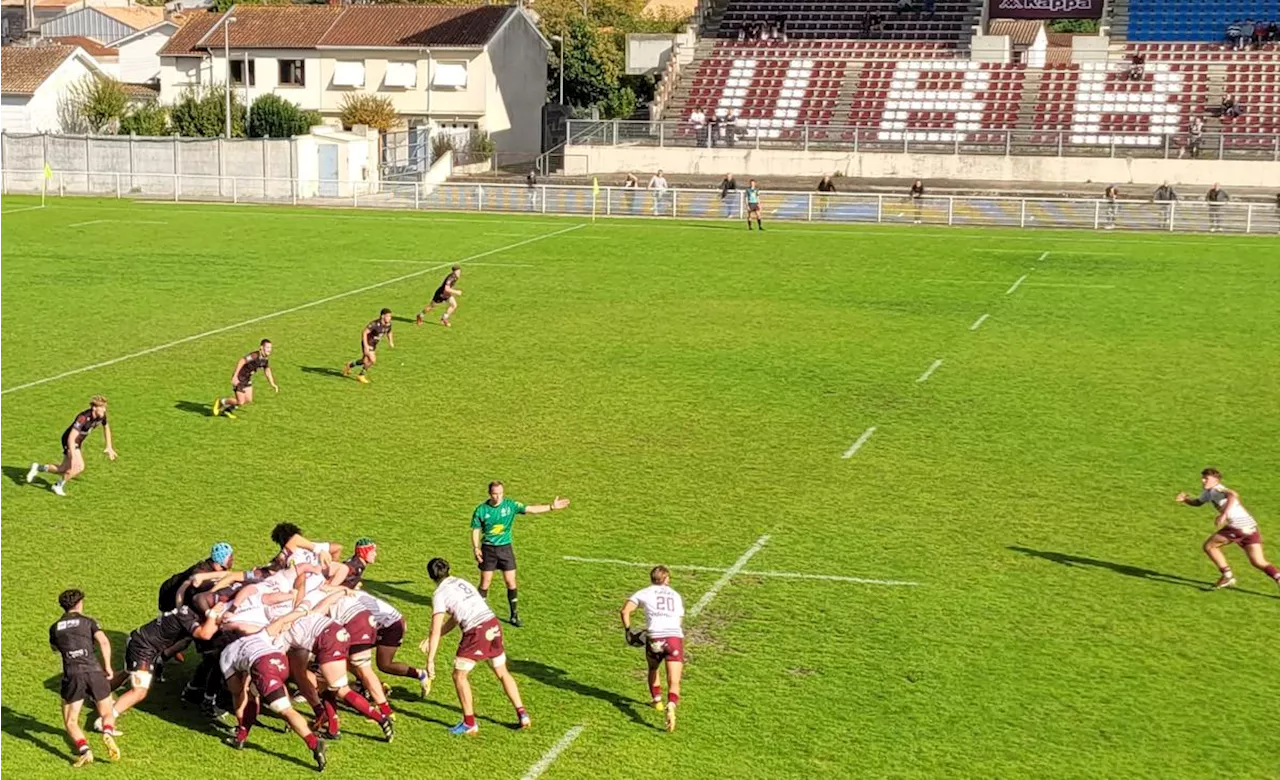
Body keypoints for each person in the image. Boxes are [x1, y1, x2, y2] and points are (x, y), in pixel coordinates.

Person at [421, 557, 530, 736]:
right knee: (502, 672)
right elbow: (456, 617)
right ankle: (522, 714)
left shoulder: (439, 594)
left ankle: (469, 723)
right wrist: (439, 634)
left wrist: (430, 660)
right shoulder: (461, 582)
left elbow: (435, 628)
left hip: (476, 631)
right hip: (492, 623)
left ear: (431, 576)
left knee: (459, 675)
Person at [218, 610, 327, 770]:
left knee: (282, 709)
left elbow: (236, 690)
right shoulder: (256, 636)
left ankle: (313, 743)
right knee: (255, 691)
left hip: (262, 666)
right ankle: (241, 737)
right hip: (279, 661)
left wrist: (243, 685)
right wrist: (302, 611)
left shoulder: (226, 654)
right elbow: (281, 620)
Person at [471, 481, 570, 628]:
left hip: (505, 549)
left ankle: (514, 615)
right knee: (485, 583)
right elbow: (475, 529)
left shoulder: (510, 505)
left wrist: (551, 507)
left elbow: (531, 509)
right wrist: (476, 547)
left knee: (511, 582)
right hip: (488, 549)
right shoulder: (481, 510)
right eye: (494, 494)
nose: (498, 497)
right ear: (489, 493)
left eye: (500, 494)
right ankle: (478, 615)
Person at [105, 603, 221, 724]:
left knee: (129, 672)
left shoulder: (189, 610)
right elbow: (205, 634)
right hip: (143, 647)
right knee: (139, 691)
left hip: (144, 644)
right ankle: (107, 719)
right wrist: (214, 615)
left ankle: (99, 693)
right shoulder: (187, 616)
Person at [1177, 468, 1280, 590]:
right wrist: (1185, 500)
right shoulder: (1208, 492)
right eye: (1203, 478)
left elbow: (1233, 495)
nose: (1203, 480)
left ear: (1216, 480)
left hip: (1238, 525)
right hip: (1250, 526)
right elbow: (1197, 502)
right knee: (1258, 561)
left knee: (1209, 546)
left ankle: (1227, 576)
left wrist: (1224, 514)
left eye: (1206, 478)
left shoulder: (1218, 489)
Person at [50, 589, 120, 767]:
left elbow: (55, 648)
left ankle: (85, 750)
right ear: (79, 603)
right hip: (95, 671)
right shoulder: (88, 622)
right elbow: (103, 641)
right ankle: (108, 732)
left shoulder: (55, 628)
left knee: (71, 720)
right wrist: (108, 667)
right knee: (106, 711)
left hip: (73, 675)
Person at [620, 566, 685, 733]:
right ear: (667, 579)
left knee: (653, 668)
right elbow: (678, 620)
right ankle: (671, 704)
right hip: (674, 638)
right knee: (674, 680)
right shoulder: (676, 596)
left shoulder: (644, 592)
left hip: (655, 637)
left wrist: (629, 631)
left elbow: (625, 611)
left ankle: (657, 700)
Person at [26, 395, 117, 496]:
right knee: (79, 466)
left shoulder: (101, 416)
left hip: (77, 442)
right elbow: (71, 437)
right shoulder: (83, 418)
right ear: (94, 408)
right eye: (102, 407)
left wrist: (109, 446)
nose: (104, 410)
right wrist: (72, 453)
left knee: (63, 468)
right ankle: (58, 485)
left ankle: (38, 467)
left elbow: (106, 427)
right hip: (70, 440)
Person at [213, 339, 277, 419]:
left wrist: (272, 383)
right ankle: (221, 402)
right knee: (240, 402)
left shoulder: (265, 359)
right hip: (239, 378)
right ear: (261, 347)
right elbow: (242, 360)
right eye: (267, 347)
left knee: (249, 399)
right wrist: (235, 376)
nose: (269, 350)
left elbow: (267, 370)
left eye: (270, 348)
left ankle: (227, 409)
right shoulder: (255, 356)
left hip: (247, 378)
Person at [342, 308, 394, 383]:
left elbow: (389, 332)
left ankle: (349, 365)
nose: (390, 318)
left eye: (390, 316)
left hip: (374, 344)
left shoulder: (388, 324)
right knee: (372, 360)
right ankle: (361, 375)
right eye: (388, 316)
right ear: (382, 316)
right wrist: (366, 346)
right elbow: (364, 332)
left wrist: (391, 341)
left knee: (364, 361)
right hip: (368, 342)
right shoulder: (375, 324)